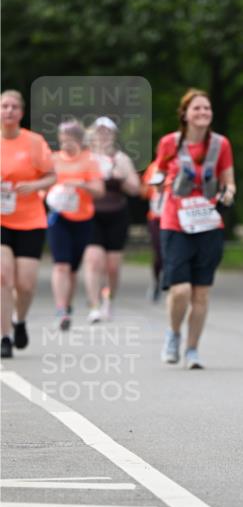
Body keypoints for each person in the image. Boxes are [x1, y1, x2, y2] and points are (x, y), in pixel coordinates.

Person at [154, 88, 235, 369]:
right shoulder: (169, 143)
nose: (202, 113)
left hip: (208, 222)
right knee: (180, 290)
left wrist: (228, 194)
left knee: (201, 292)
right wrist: (161, 185)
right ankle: (173, 333)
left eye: (207, 109)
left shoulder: (220, 144)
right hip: (176, 222)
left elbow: (229, 180)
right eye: (197, 108)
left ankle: (192, 350)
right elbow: (159, 173)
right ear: (185, 114)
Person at [0, 89, 55, 358]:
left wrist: (33, 185)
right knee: (2, 277)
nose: (8, 111)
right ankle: (5, 335)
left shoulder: (34, 142)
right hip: (1, 221)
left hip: (31, 220)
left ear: (21, 113)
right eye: (3, 106)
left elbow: (51, 176)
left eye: (13, 107)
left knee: (26, 284)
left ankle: (20, 321)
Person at [47, 120, 104, 330]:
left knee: (71, 269)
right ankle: (61, 309)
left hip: (83, 219)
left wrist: (81, 185)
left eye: (70, 141)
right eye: (62, 141)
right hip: (59, 217)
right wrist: (51, 194)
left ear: (80, 141)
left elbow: (99, 190)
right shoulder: (52, 160)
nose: (65, 145)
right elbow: (44, 185)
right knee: (60, 265)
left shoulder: (89, 161)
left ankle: (67, 306)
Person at [84, 117, 141, 323]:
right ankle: (94, 305)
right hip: (91, 214)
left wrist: (120, 176)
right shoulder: (86, 158)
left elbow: (136, 189)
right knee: (93, 261)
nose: (103, 136)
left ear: (113, 135)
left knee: (113, 266)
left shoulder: (122, 159)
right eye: (99, 132)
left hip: (117, 215)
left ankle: (109, 299)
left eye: (107, 132)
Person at [140, 157, 166, 300]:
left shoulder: (180, 164)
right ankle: (157, 281)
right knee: (159, 252)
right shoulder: (153, 167)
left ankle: (173, 282)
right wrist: (154, 186)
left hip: (176, 217)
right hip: (156, 217)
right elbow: (143, 192)